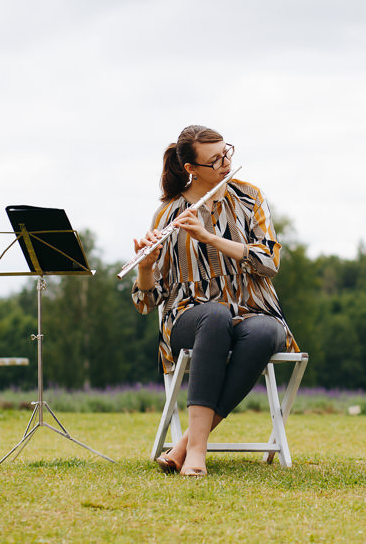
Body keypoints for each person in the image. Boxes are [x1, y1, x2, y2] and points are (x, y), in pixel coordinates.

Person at [131, 125, 299, 477]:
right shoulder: (168, 214)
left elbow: (270, 262)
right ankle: (196, 453)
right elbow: (147, 303)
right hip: (189, 318)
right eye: (215, 159)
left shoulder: (249, 197)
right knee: (216, 315)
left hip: (252, 310)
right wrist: (145, 269)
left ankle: (187, 444)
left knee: (265, 332)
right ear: (191, 169)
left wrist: (210, 237)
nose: (226, 163)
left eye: (227, 153)